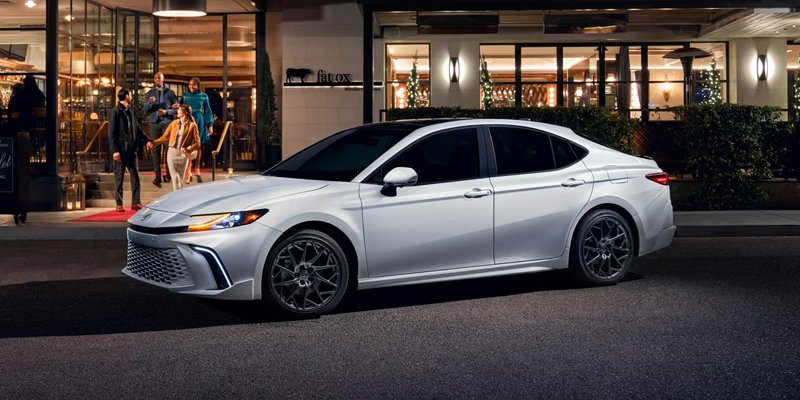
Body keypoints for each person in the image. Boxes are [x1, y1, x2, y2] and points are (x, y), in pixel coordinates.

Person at [108, 88, 154, 212]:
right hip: (120, 151)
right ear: (127, 96)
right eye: (131, 95)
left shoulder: (130, 112)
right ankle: (119, 203)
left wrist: (147, 140)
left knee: (135, 177)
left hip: (131, 150)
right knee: (119, 179)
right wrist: (114, 151)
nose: (132, 96)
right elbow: (111, 133)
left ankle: (136, 202)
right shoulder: (115, 112)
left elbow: (138, 129)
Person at [142, 72, 180, 188]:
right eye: (155, 78)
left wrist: (166, 111)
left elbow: (177, 108)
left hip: (167, 123)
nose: (157, 80)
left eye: (159, 78)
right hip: (154, 123)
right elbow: (145, 110)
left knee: (169, 148)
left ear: (163, 79)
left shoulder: (170, 93)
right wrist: (149, 103)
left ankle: (169, 173)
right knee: (156, 149)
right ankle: (157, 175)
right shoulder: (149, 94)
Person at [151, 105, 200, 191]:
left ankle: (179, 198)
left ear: (184, 113)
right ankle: (176, 197)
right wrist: (154, 143)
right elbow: (165, 137)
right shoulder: (174, 123)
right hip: (172, 153)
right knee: (175, 177)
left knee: (180, 178)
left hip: (183, 154)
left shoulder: (192, 126)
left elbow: (197, 143)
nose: (177, 111)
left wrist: (188, 149)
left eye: (179, 110)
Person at [180, 76, 213, 183]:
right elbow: (180, 109)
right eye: (190, 85)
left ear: (197, 85)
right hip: (187, 121)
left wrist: (210, 125)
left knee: (198, 145)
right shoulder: (185, 96)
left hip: (199, 120)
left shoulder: (204, 96)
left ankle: (197, 168)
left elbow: (208, 111)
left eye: (194, 85)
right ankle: (188, 171)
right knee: (188, 144)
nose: (191, 87)